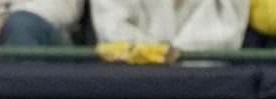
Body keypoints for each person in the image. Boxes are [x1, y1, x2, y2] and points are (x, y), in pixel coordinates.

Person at [91, 0, 250, 51]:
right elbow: (112, 31)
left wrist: (174, 55)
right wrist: (161, 55)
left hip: (209, 92)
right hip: (132, 89)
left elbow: (231, 34)